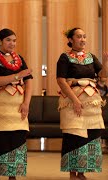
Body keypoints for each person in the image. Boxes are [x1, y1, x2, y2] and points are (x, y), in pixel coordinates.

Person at [0, 28, 33, 180]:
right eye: (8, 40)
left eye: (14, 40)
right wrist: (17, 76)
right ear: (0, 41)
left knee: (16, 138)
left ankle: (12, 175)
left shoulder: (19, 58)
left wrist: (26, 103)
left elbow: (28, 81)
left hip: (16, 104)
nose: (12, 43)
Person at [57, 27, 108, 180]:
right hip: (72, 100)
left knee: (90, 135)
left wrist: (105, 63)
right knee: (74, 135)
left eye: (84, 36)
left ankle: (82, 172)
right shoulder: (64, 57)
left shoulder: (91, 57)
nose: (83, 39)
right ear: (71, 40)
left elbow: (102, 76)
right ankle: (72, 173)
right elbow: (61, 80)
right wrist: (75, 100)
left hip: (91, 101)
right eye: (79, 36)